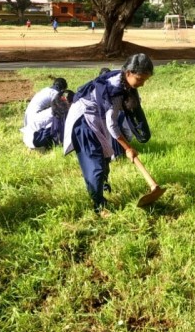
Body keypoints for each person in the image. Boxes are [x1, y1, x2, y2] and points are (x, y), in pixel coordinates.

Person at [63, 53, 154, 213]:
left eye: (145, 80)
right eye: (140, 79)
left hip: (97, 117)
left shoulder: (123, 79)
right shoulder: (115, 90)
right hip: (83, 120)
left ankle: (102, 187)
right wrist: (127, 148)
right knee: (95, 165)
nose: (142, 84)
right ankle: (99, 206)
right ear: (129, 73)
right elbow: (112, 125)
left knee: (105, 158)